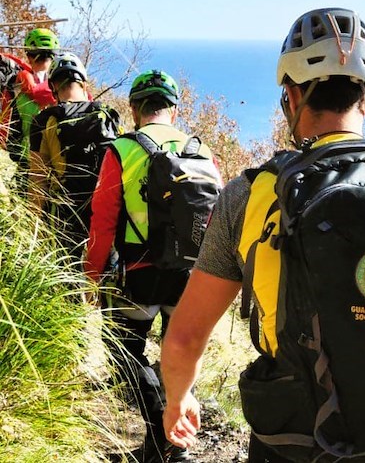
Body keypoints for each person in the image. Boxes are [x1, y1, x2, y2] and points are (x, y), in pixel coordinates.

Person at [160, 8, 365, 463]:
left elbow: (185, 338)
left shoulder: (253, 193)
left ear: (292, 95)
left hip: (293, 442)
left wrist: (178, 398)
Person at [85, 70, 220, 463]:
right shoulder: (203, 151)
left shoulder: (122, 149)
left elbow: (103, 220)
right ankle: (172, 441)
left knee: (126, 353)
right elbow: (217, 217)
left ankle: (163, 436)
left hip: (138, 274)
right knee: (177, 353)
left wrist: (91, 275)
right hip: (189, 277)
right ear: (174, 111)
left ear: (133, 109)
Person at [29, 52, 119, 261]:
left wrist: (32, 229)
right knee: (106, 276)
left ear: (53, 87)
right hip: (106, 210)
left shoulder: (45, 120)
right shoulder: (107, 113)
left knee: (66, 278)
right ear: (84, 84)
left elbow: (37, 179)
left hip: (65, 213)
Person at [6, 28, 58, 191]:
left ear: (29, 55)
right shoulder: (62, 85)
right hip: (57, 159)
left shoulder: (20, 81)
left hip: (27, 156)